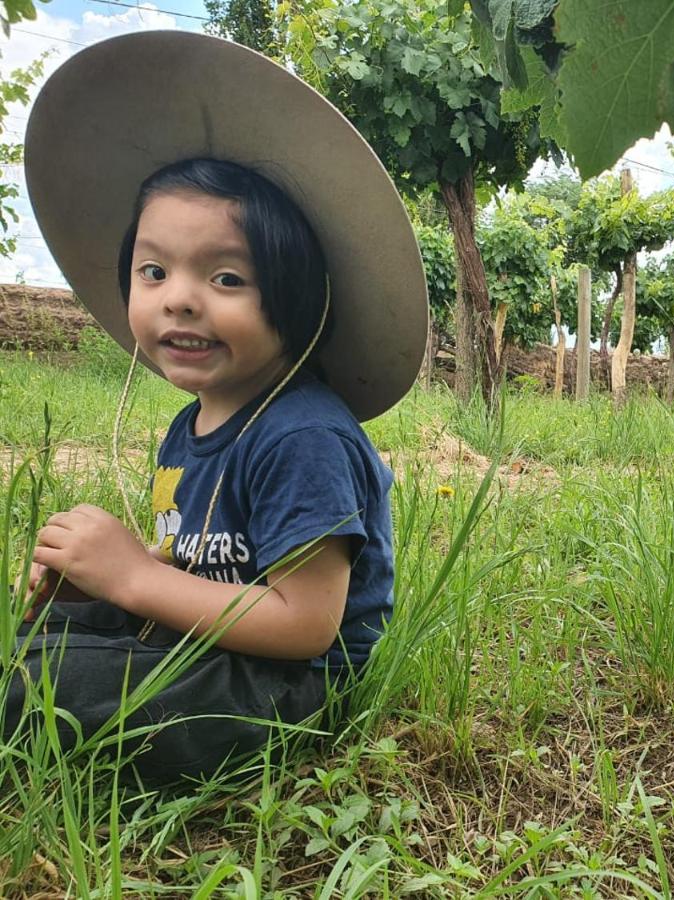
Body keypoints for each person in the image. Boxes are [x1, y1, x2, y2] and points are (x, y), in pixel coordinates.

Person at [4, 30, 428, 784]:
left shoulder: (304, 434)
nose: (180, 299)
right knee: (49, 633)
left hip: (291, 686)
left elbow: (305, 623)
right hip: (213, 644)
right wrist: (98, 582)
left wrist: (133, 576)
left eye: (227, 278)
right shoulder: (189, 423)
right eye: (155, 270)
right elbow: (194, 566)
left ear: (294, 296)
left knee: (45, 688)